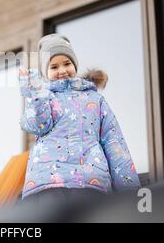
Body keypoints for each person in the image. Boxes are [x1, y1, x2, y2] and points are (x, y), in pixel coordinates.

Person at [19, 34, 141, 205]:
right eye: (54, 66)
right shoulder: (45, 98)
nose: (62, 70)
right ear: (45, 72)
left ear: (75, 64)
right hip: (48, 182)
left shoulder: (95, 99)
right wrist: (35, 93)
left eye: (67, 63)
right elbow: (36, 125)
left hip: (90, 181)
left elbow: (114, 143)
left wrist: (130, 191)